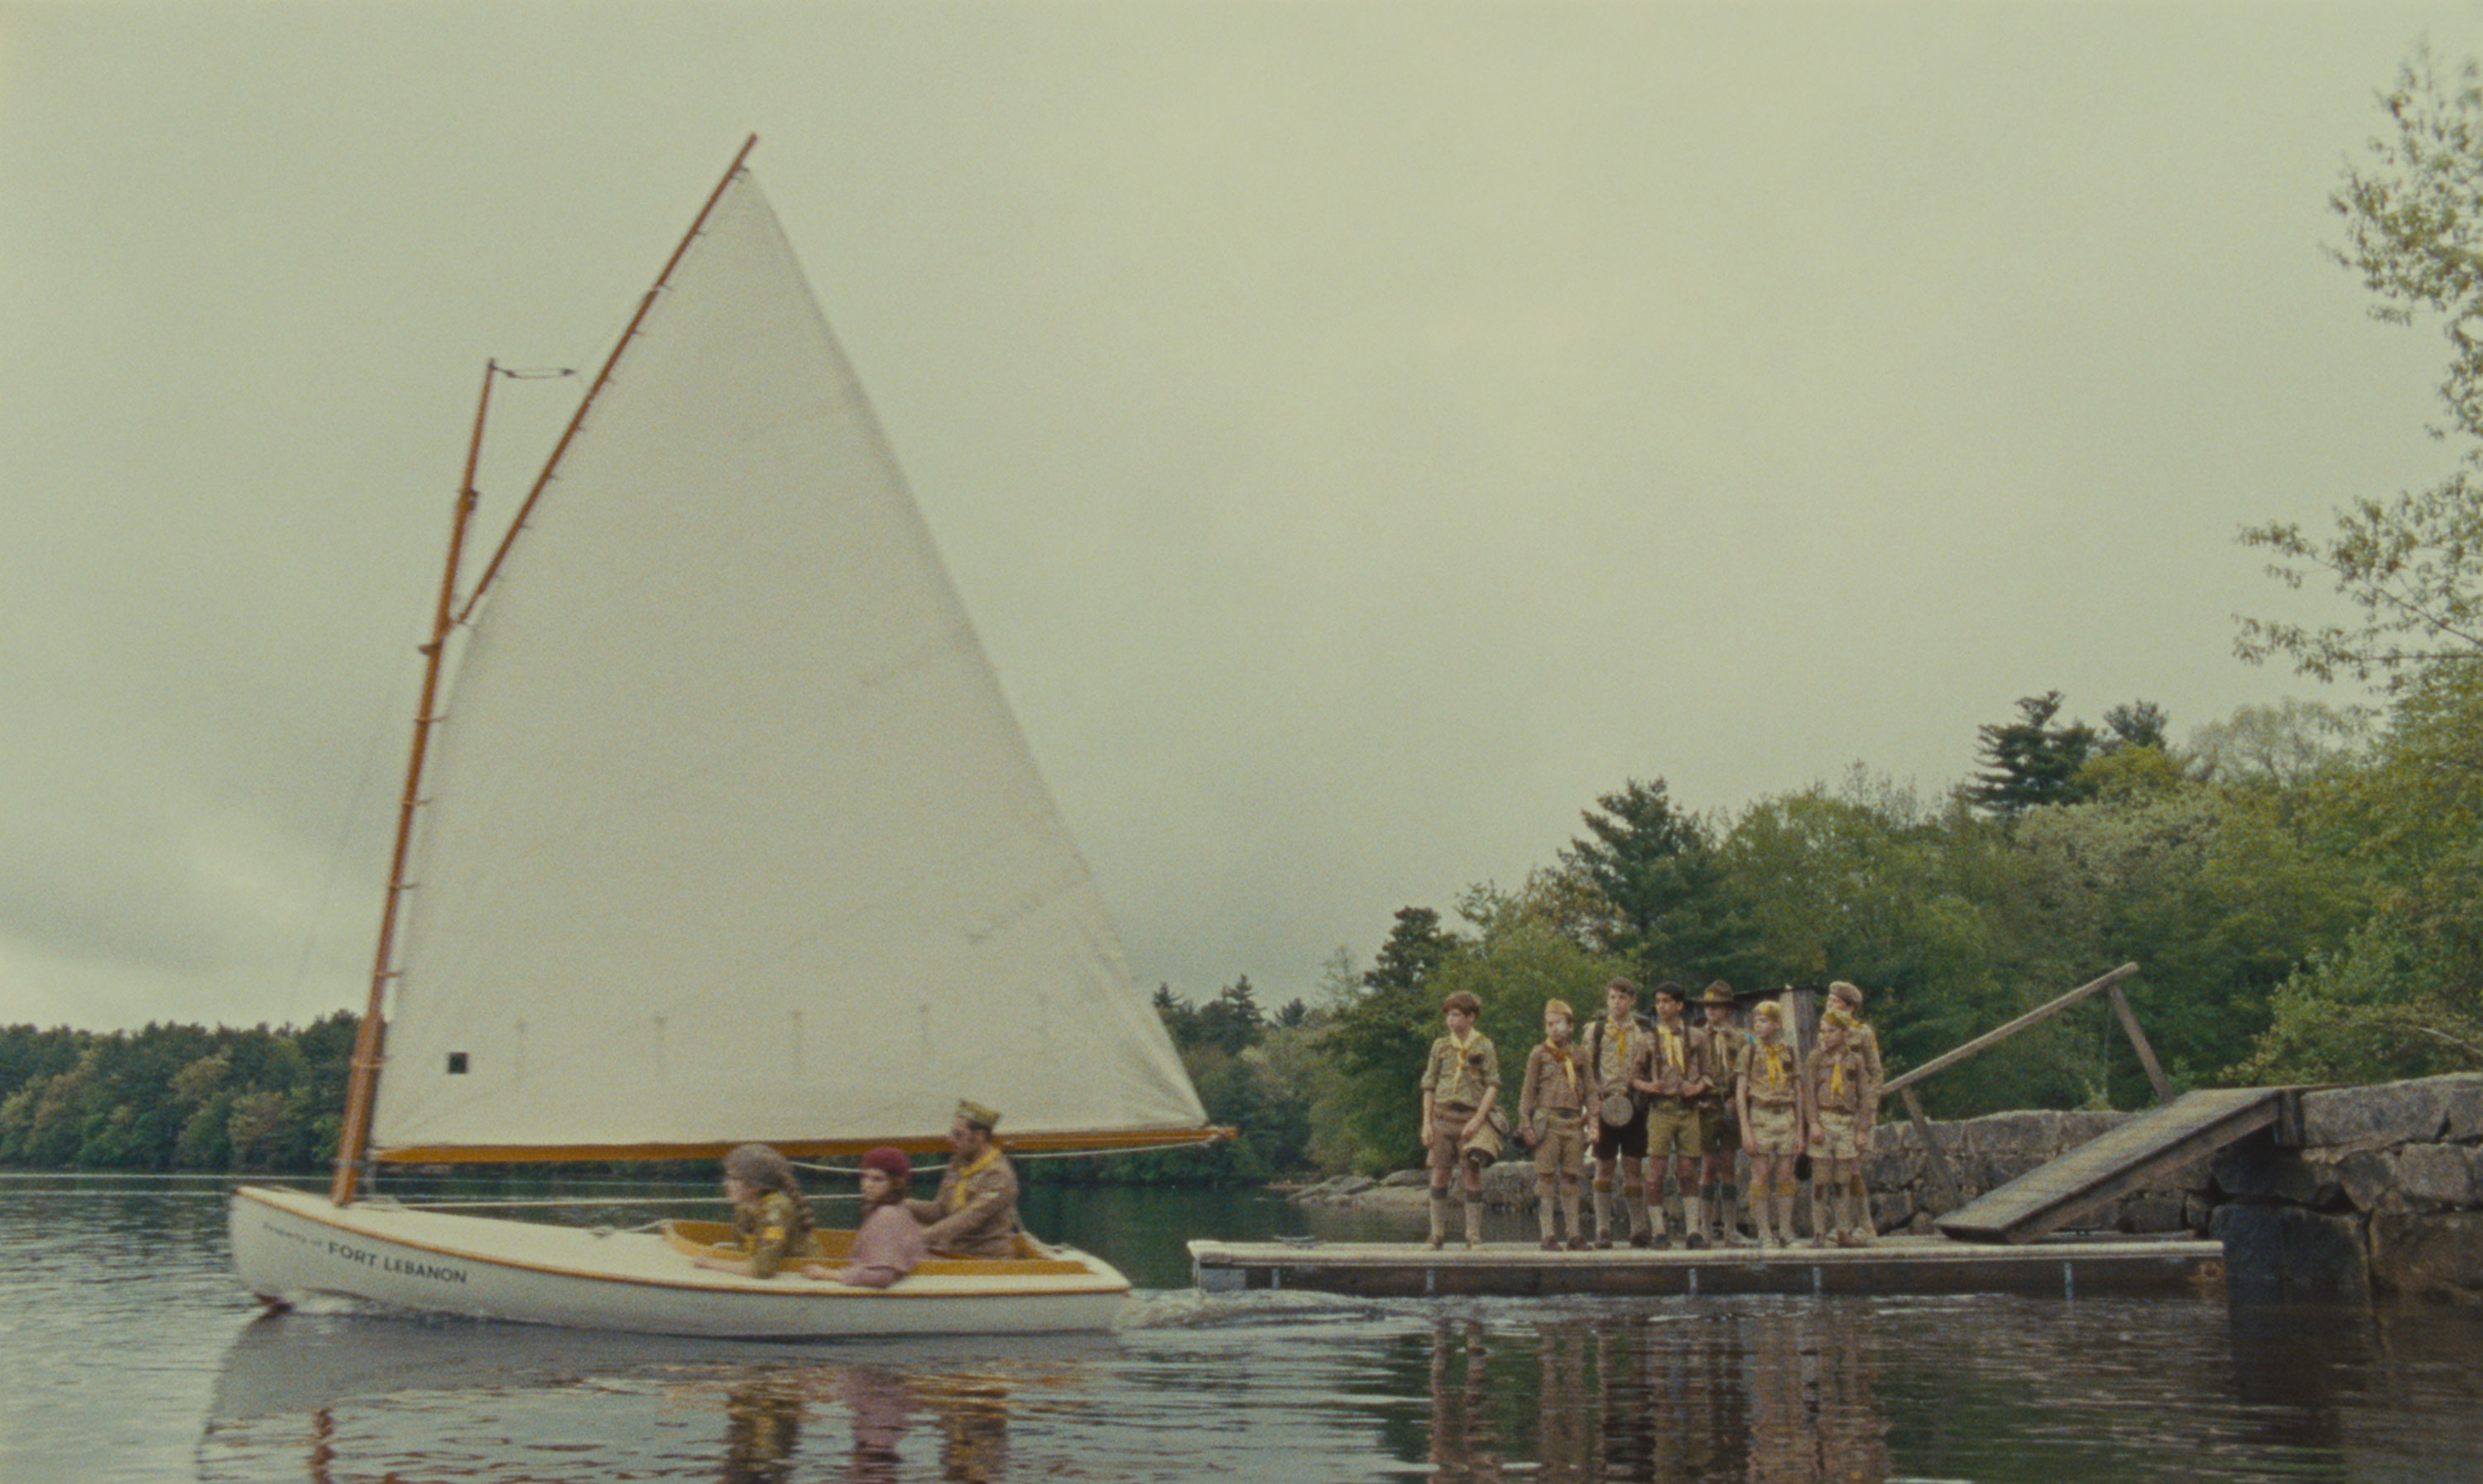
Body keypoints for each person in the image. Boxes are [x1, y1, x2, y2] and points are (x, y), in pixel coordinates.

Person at [1629, 981, 1711, 1247]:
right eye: (1658, 1001)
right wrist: (1648, 1086)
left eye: (1667, 1001)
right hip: (1660, 1109)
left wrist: (1697, 1087)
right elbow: (1634, 1077)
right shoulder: (1648, 1038)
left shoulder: (1697, 1037)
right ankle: (1659, 1231)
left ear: (1679, 1005)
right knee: (1655, 1172)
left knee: (1688, 1171)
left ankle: (1692, 1231)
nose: (1661, 1006)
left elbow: (1709, 1074)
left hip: (1687, 1110)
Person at [1419, 990, 1501, 1249]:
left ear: (1471, 1017)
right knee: (1439, 1173)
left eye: (1456, 1015)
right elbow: (1429, 1084)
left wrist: (1478, 1119)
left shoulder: (1484, 1045)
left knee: (1471, 1174)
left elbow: (1492, 1084)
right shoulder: (1441, 1046)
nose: (1451, 1021)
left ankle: (1473, 1235)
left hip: (1470, 1116)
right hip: (1443, 1115)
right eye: (1448, 1016)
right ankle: (1437, 1234)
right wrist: (1427, 1122)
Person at [905, 1100, 1023, 1258]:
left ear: (980, 1136)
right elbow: (942, 1210)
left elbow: (968, 1218)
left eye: (958, 1135)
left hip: (985, 1260)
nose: (951, 1140)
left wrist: (921, 1237)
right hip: (953, 1252)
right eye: (952, 1133)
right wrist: (904, 1204)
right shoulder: (958, 1164)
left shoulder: (999, 1175)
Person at [1583, 976, 1652, 1249]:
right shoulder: (1596, 1031)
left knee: (1634, 1166)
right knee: (1604, 1166)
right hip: (1604, 1103)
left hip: (1634, 1103)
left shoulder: (1644, 1031)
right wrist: (1588, 1107)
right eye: (1612, 997)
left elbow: (1650, 1067)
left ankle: (1638, 1227)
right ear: (1607, 999)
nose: (1617, 1003)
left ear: (1632, 1001)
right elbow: (1586, 1070)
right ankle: (1602, 1229)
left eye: (1623, 998)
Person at [1516, 997, 1589, 1250]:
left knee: (1571, 1178)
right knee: (1545, 1177)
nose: (1554, 1028)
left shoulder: (1580, 1055)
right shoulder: (1539, 1054)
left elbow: (1590, 1090)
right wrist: (1525, 1123)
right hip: (1548, 1120)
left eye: (1559, 1024)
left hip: (1574, 1123)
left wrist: (1596, 1121)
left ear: (1570, 1027)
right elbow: (1528, 1091)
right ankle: (1547, 1234)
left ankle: (1574, 1234)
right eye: (1549, 1024)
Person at [690, 1142, 824, 1278]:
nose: (726, 1184)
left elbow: (762, 1269)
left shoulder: (776, 1211)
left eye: (734, 1178)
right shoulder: (745, 1208)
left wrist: (709, 1264)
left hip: (800, 1275)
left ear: (755, 1186)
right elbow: (747, 1253)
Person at [803, 1145, 929, 1288]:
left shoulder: (886, 1216)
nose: (868, 1185)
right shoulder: (896, 1210)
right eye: (865, 1177)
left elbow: (881, 1276)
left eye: (878, 1179)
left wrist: (827, 1274)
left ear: (896, 1184)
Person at [1806, 1008, 1880, 1247]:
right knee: (1821, 1179)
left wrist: (1861, 1129)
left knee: (1843, 1180)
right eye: (1822, 1032)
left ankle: (1843, 1231)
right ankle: (1818, 1232)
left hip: (1846, 1122)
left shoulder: (1854, 1060)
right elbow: (1808, 1093)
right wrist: (1813, 1123)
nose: (1825, 1036)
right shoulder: (1816, 1058)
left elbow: (1864, 1095)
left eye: (1831, 1031)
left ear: (1844, 1033)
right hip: (1824, 1121)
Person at [1736, 1000, 1807, 1248]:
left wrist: (1800, 1130)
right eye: (1756, 1020)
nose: (1758, 1025)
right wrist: (1745, 1129)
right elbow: (1741, 1092)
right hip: (1761, 1115)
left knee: (1786, 1175)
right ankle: (1764, 1232)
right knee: (1761, 1174)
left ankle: (1785, 1230)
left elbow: (1798, 1091)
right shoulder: (1750, 1052)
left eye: (1764, 1020)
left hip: (1785, 1115)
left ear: (1777, 1024)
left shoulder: (1790, 1052)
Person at [1693, 981, 1749, 1246]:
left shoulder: (1739, 1038)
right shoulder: (1696, 1036)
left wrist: (1738, 1099)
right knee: (1707, 1165)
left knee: (1728, 1165)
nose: (1711, 1011)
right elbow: (1689, 1070)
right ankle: (1705, 1228)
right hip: (1706, 1105)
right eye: (1708, 1006)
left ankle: (1730, 1228)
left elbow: (1745, 1072)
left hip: (1729, 1104)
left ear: (1727, 1009)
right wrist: (1695, 1098)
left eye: (1716, 1007)